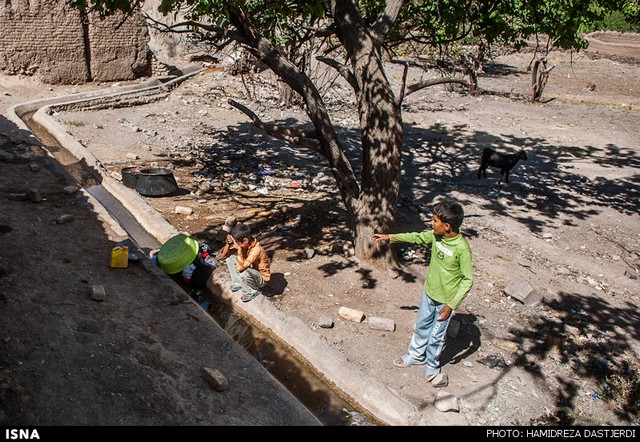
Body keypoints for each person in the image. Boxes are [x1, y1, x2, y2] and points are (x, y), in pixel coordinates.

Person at [373, 199, 473, 382]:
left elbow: (468, 280)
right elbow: (416, 237)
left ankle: (432, 366)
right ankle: (415, 356)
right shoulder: (436, 237)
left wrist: (451, 305)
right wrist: (391, 237)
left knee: (437, 335)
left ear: (447, 226)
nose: (431, 224)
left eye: (435, 221)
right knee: (422, 327)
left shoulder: (462, 249)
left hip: (445, 301)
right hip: (429, 293)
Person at [220, 222, 271, 302]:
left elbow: (241, 268)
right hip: (251, 272)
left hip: (260, 279)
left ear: (245, 240)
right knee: (230, 258)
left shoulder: (257, 250)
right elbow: (224, 255)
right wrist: (228, 244)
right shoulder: (244, 244)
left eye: (237, 243)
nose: (236, 244)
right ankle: (238, 283)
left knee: (244, 272)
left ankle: (252, 292)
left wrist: (239, 250)